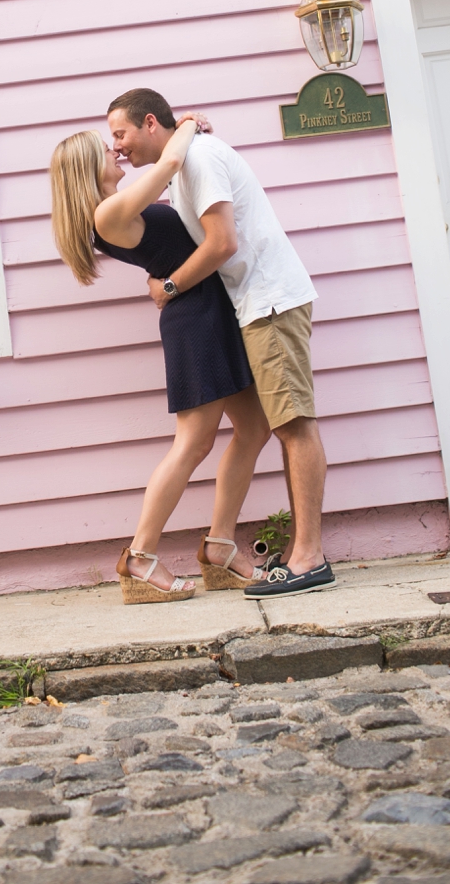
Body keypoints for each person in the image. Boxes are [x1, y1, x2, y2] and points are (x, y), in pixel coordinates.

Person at [107, 88, 333, 598]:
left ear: (148, 122)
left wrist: (168, 286)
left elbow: (223, 243)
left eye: (119, 133)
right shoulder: (181, 162)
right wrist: (185, 127)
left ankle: (307, 557)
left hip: (268, 300)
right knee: (266, 427)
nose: (116, 147)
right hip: (243, 307)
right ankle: (248, 550)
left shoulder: (199, 160)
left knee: (293, 424)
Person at [49, 121, 275, 603]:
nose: (114, 151)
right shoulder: (108, 212)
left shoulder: (114, 209)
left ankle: (219, 547)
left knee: (254, 429)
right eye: (104, 148)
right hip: (196, 321)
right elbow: (170, 162)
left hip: (210, 311)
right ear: (87, 167)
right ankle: (140, 556)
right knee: (192, 443)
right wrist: (188, 124)